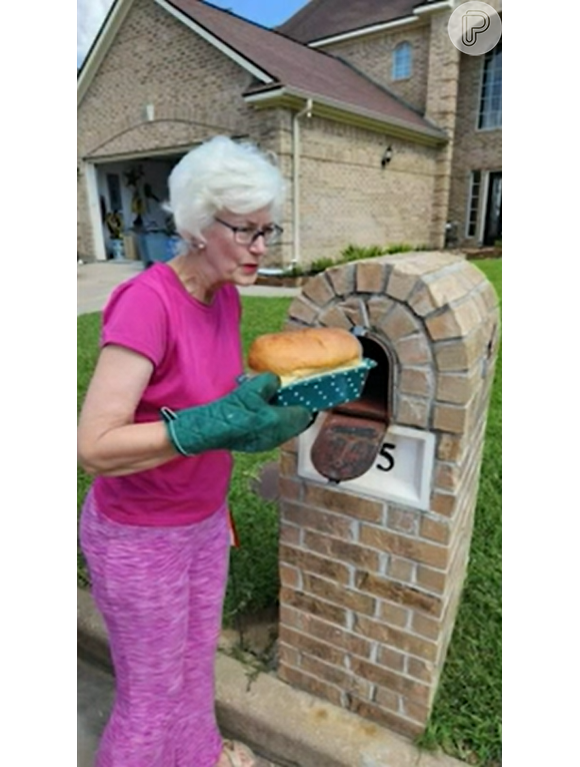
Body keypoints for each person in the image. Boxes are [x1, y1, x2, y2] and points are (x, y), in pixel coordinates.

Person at [77, 135, 313, 767]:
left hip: (204, 524)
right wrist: (196, 430)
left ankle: (200, 757)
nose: (263, 247)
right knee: (149, 701)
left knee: (193, 672)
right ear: (201, 226)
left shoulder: (225, 295)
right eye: (248, 231)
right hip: (139, 538)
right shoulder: (146, 303)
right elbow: (94, 446)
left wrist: (254, 416)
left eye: (270, 230)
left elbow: (212, 398)